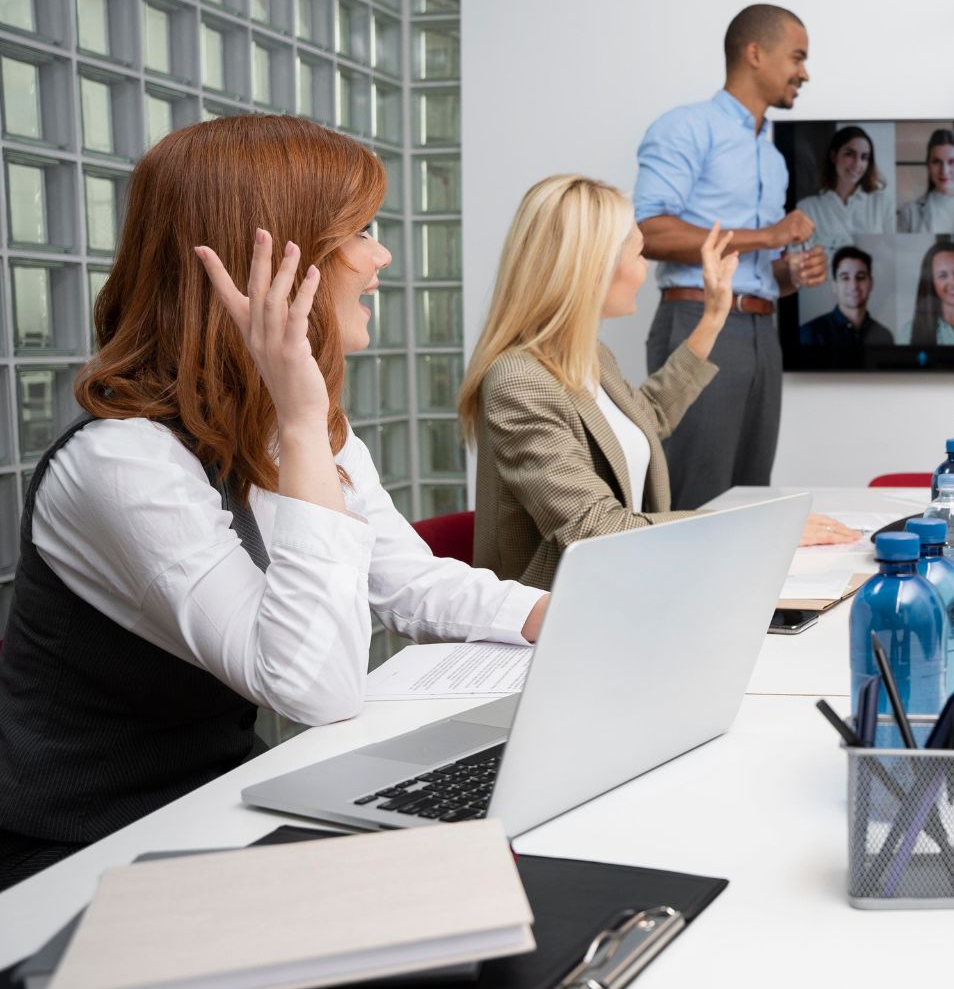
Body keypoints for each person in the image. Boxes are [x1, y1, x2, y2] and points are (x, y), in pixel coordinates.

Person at [0, 116, 548, 890]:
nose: (381, 257)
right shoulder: (121, 462)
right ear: (268, 266)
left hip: (224, 802)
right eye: (357, 233)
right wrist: (299, 417)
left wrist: (561, 616)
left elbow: (407, 579)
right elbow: (314, 689)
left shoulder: (296, 425)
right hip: (85, 853)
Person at [461, 176, 863, 591]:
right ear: (594, 268)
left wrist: (713, 316)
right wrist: (761, 527)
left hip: (628, 587)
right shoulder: (519, 382)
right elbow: (596, 528)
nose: (646, 269)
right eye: (638, 254)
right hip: (562, 614)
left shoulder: (592, 357)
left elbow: (647, 415)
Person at [633, 3, 829, 511]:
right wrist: (767, 236)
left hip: (763, 331)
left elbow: (758, 269)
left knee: (749, 498)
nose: (805, 73)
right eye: (798, 58)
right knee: (695, 498)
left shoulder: (772, 156)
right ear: (755, 53)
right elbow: (647, 231)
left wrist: (791, 273)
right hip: (699, 323)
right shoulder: (686, 128)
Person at [795, 125, 893, 253]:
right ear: (833, 156)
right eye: (849, 154)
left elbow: (892, 255)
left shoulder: (883, 204)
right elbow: (798, 259)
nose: (857, 164)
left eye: (864, 157)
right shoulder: (807, 209)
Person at [798, 245, 895, 349]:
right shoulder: (810, 334)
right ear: (834, 285)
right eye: (845, 278)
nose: (854, 286)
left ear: (871, 283)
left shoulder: (884, 336)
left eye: (861, 277)